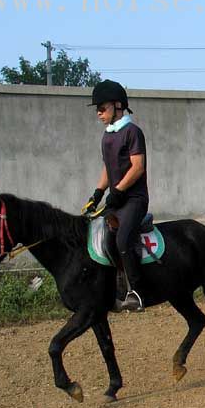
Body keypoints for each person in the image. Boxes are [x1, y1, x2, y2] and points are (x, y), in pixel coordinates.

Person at [84, 80, 149, 312]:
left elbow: (137, 167)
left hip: (134, 200)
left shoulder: (132, 132)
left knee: (123, 239)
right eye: (97, 109)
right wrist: (98, 193)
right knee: (107, 241)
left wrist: (118, 190)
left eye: (102, 108)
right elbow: (107, 169)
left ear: (118, 105)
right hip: (116, 200)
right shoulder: (107, 136)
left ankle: (139, 292)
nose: (99, 113)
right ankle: (119, 290)